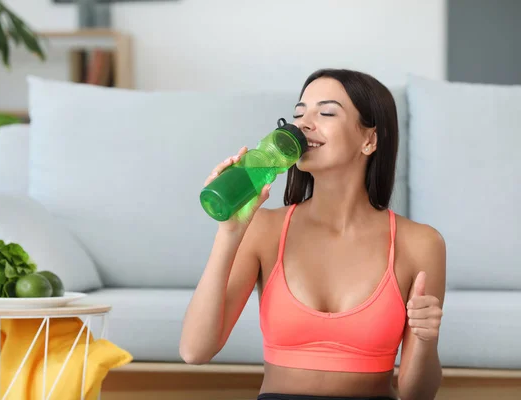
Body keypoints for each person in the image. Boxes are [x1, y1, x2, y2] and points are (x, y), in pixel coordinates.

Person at [179, 69, 446, 400]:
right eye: (298, 113)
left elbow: (416, 394)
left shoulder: (420, 244)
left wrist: (425, 338)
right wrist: (229, 233)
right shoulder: (265, 229)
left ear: (369, 140)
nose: (303, 124)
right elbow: (195, 351)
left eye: (327, 112)